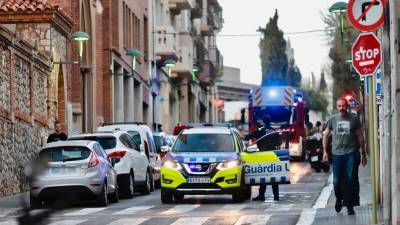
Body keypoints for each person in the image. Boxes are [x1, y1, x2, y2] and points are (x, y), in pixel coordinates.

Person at [322, 98, 367, 215]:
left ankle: (349, 204)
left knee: (350, 178)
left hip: (351, 153)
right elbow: (325, 135)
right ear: (337, 107)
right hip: (337, 154)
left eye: (343, 106)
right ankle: (338, 198)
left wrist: (363, 153)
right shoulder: (333, 119)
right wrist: (325, 152)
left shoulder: (354, 119)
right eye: (339, 106)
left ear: (347, 106)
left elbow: (360, 136)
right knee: (336, 181)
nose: (341, 108)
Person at [245, 115, 280, 201]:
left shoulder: (260, 130)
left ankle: (261, 195)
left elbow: (249, 136)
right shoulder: (274, 130)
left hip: (263, 155)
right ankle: (276, 196)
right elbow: (278, 143)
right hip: (273, 155)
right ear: (270, 121)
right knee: (273, 176)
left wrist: (246, 137)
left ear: (263, 121)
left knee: (264, 175)